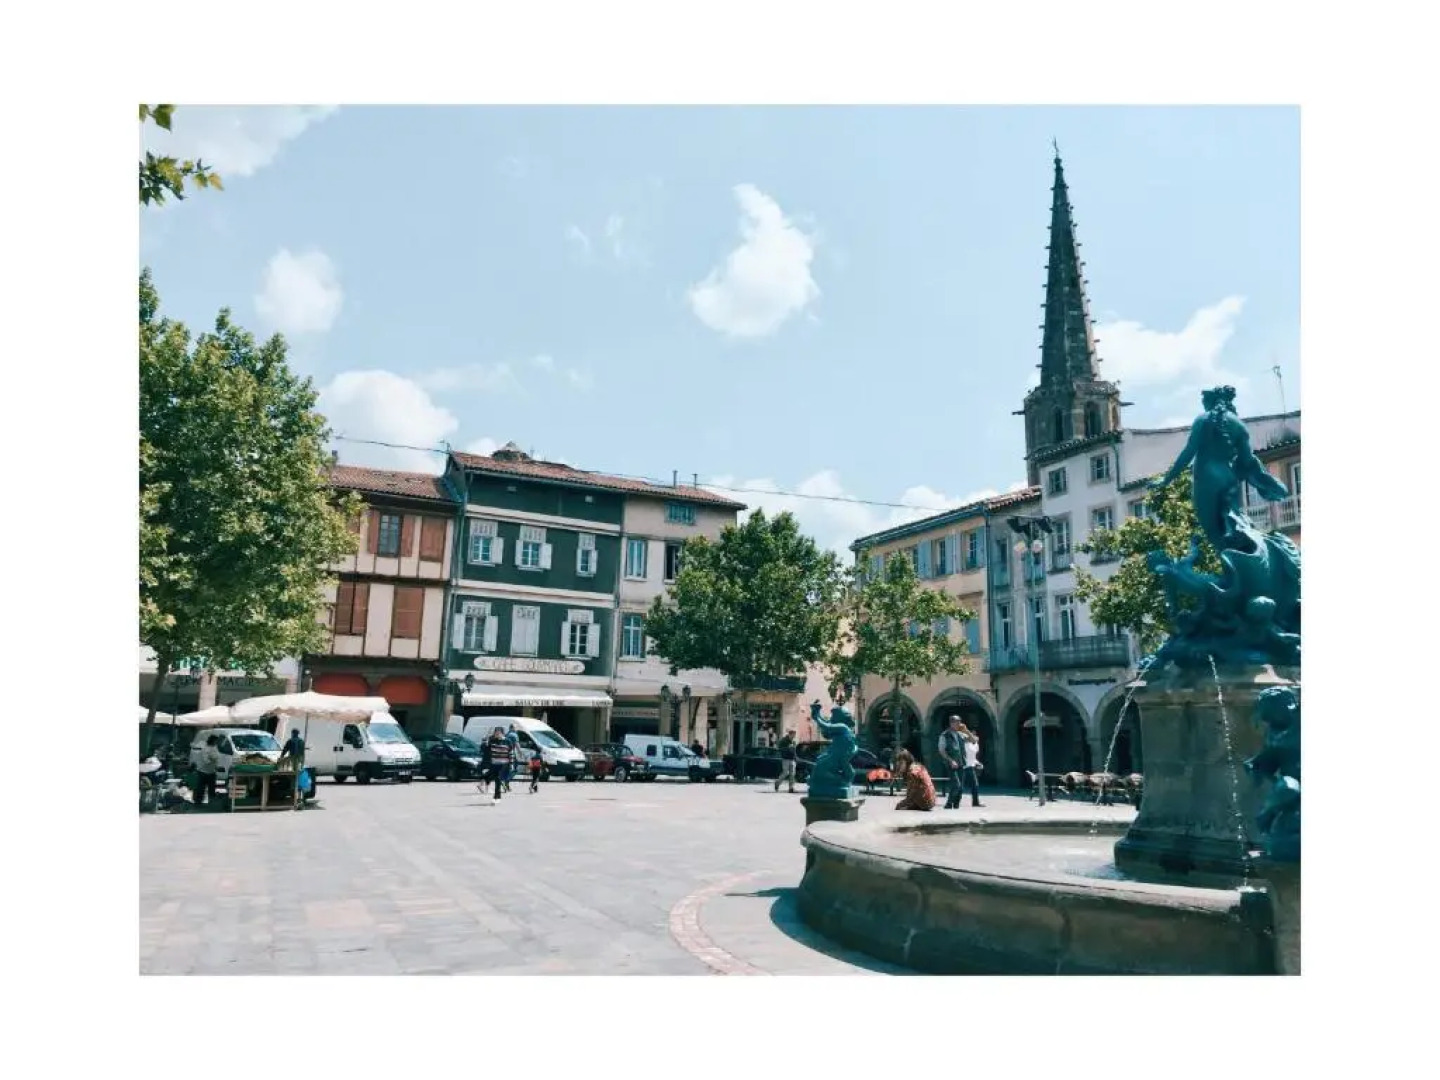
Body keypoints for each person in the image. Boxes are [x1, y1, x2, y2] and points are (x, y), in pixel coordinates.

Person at [939, 715, 967, 810]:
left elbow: (974, 740)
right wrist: (951, 760)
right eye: (956, 722)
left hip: (961, 762)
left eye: (959, 722)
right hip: (951, 763)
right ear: (951, 723)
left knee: (961, 787)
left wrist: (966, 730)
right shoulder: (945, 735)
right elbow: (942, 750)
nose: (959, 724)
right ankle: (948, 804)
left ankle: (956, 804)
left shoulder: (961, 734)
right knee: (956, 784)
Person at [958, 724, 984, 808]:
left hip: (970, 766)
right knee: (959, 786)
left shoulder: (974, 745)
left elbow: (973, 756)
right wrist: (965, 731)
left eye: (975, 734)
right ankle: (955, 802)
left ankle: (975, 802)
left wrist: (977, 763)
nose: (974, 736)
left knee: (975, 785)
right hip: (961, 766)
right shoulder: (962, 741)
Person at [193, 734, 220, 808]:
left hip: (212, 771)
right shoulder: (205, 749)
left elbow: (217, 757)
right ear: (212, 740)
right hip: (203, 771)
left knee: (212, 788)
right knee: (201, 788)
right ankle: (198, 803)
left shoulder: (215, 747)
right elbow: (206, 761)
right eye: (216, 740)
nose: (217, 742)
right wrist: (213, 759)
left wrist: (216, 764)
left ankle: (212, 803)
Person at [486, 726, 512, 800]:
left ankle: (496, 797)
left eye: (498, 733)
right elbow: (486, 749)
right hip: (494, 763)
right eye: (495, 733)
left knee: (498, 779)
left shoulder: (508, 741)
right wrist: (486, 740)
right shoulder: (492, 740)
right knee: (495, 779)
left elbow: (511, 753)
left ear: (502, 733)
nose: (497, 734)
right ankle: (497, 796)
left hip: (504, 764)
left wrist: (511, 764)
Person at [503, 725, 520, 792]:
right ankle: (506, 781)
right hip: (511, 754)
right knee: (515, 769)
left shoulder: (506, 734)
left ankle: (506, 783)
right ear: (512, 728)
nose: (516, 729)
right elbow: (517, 745)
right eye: (515, 727)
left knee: (507, 769)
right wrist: (521, 753)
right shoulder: (514, 735)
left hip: (504, 754)